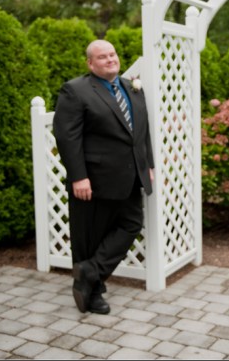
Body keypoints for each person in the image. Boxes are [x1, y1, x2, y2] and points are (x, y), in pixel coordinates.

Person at [53, 39, 154, 314]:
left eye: (112, 54)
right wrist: (78, 176)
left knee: (132, 224)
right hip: (93, 181)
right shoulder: (75, 90)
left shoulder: (132, 87)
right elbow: (67, 137)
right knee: (91, 237)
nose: (110, 59)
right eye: (102, 57)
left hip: (130, 177)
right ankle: (92, 293)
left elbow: (141, 132)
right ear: (90, 63)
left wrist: (148, 165)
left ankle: (89, 271)